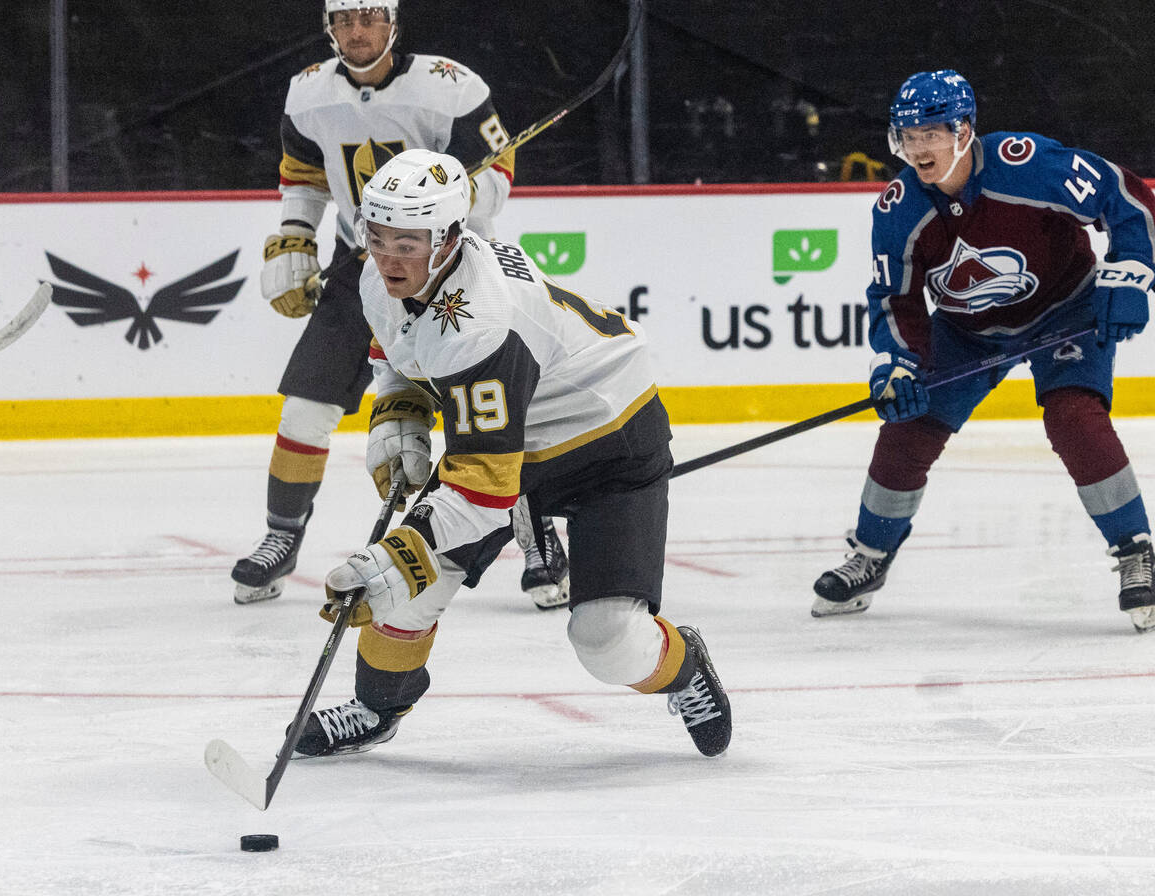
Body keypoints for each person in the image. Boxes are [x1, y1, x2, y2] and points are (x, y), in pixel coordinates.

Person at [291, 149, 732, 758]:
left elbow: (482, 491)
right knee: (414, 592)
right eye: (378, 236)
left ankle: (684, 667)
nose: (389, 257)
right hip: (512, 441)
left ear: (448, 239)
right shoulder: (382, 274)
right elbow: (394, 348)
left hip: (608, 447)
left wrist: (393, 559)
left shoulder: (481, 321)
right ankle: (377, 706)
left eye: (409, 243)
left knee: (606, 641)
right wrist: (400, 414)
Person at [231, 0, 569, 610]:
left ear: (393, 23)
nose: (357, 32)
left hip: (452, 271)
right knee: (304, 411)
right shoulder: (307, 96)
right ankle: (281, 535)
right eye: (344, 20)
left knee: (503, 414)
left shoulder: (452, 87)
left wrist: (459, 188)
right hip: (363, 265)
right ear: (328, 28)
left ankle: (538, 530)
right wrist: (294, 236)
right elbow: (303, 176)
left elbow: (497, 178)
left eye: (370, 19)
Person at [812, 70, 1155, 633]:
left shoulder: (1029, 166)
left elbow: (1125, 198)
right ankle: (871, 556)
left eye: (930, 134)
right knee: (909, 427)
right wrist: (895, 362)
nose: (917, 148)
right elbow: (894, 297)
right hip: (965, 331)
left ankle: (1135, 549)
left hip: (1064, 313)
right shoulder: (898, 210)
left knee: (1074, 418)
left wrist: (1130, 273)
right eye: (908, 135)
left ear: (964, 130)